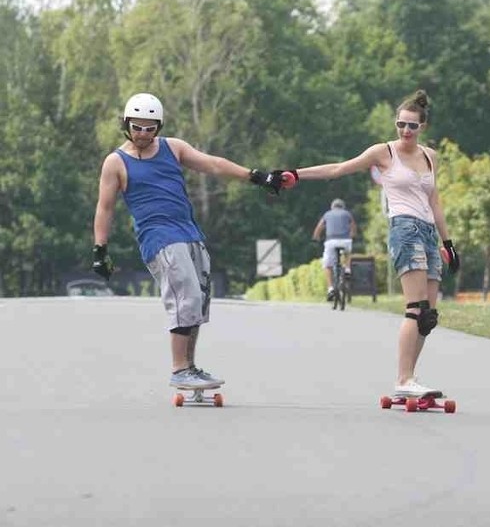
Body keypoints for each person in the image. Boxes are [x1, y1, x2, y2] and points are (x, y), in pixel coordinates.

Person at [91, 93, 295, 389]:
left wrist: (258, 177)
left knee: (198, 301)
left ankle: (190, 366)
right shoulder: (115, 162)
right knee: (184, 293)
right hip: (158, 237)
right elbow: (105, 207)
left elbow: (213, 164)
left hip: (189, 232)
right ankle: (178, 369)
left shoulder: (173, 148)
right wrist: (100, 249)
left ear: (158, 127)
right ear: (126, 124)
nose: (143, 134)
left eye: (150, 128)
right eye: (137, 127)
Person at [285, 89, 460, 397]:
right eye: (400, 125)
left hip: (429, 233)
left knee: (429, 316)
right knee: (416, 308)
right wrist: (297, 175)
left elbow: (435, 201)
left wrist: (448, 243)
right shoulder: (384, 153)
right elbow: (339, 169)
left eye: (412, 126)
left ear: (423, 127)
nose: (405, 131)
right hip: (404, 229)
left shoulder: (431, 157)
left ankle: (412, 379)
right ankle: (403, 380)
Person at [312, 198, 358, 301]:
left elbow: (320, 226)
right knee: (348, 253)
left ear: (332, 207)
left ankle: (330, 289)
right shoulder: (347, 214)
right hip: (345, 241)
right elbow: (353, 227)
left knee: (327, 265)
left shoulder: (327, 214)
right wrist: (352, 236)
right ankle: (347, 269)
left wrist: (316, 237)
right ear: (343, 207)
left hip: (331, 242)